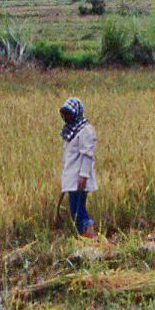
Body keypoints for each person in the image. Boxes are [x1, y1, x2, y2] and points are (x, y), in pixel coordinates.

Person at [59, 96, 98, 237]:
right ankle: (83, 235)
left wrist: (83, 175)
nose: (66, 117)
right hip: (72, 178)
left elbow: (87, 155)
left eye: (69, 113)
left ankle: (89, 235)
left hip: (79, 178)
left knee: (78, 210)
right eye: (65, 114)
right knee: (74, 209)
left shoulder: (85, 130)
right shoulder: (71, 131)